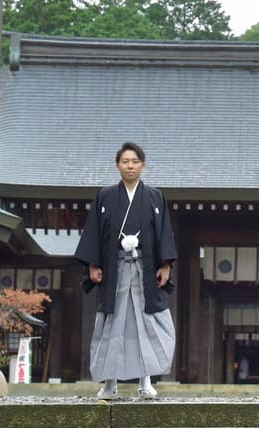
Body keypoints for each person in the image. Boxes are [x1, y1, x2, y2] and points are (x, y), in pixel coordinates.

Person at [75, 141, 177, 399]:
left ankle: (146, 381)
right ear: (117, 165)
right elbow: (95, 233)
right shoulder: (105, 196)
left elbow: (164, 232)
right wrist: (93, 264)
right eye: (125, 162)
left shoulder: (155, 197)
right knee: (113, 324)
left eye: (134, 162)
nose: (130, 166)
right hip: (115, 270)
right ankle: (109, 383)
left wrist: (165, 265)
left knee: (145, 324)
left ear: (143, 165)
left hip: (144, 270)